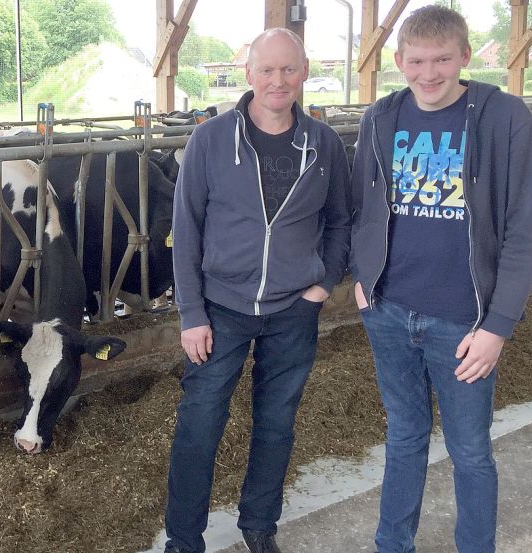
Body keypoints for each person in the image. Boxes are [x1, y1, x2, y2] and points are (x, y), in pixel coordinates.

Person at [349, 6, 532, 553]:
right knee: (404, 437)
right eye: (416, 60)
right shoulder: (380, 117)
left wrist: (498, 326)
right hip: (388, 312)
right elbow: (360, 203)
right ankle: (393, 544)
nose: (428, 73)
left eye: (441, 60)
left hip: (464, 323)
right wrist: (362, 274)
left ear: (465, 56)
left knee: (471, 450)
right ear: (398, 60)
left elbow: (525, 229)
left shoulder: (505, 118)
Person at [166, 28, 351, 553]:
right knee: (200, 424)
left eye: (288, 70)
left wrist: (323, 283)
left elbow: (339, 220)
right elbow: (188, 228)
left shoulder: (323, 143)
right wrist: (191, 313)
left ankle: (259, 524)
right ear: (247, 74)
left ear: (305, 72)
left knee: (277, 422)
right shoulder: (210, 139)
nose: (278, 80)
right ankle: (183, 538)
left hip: (294, 308)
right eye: (266, 70)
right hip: (220, 308)